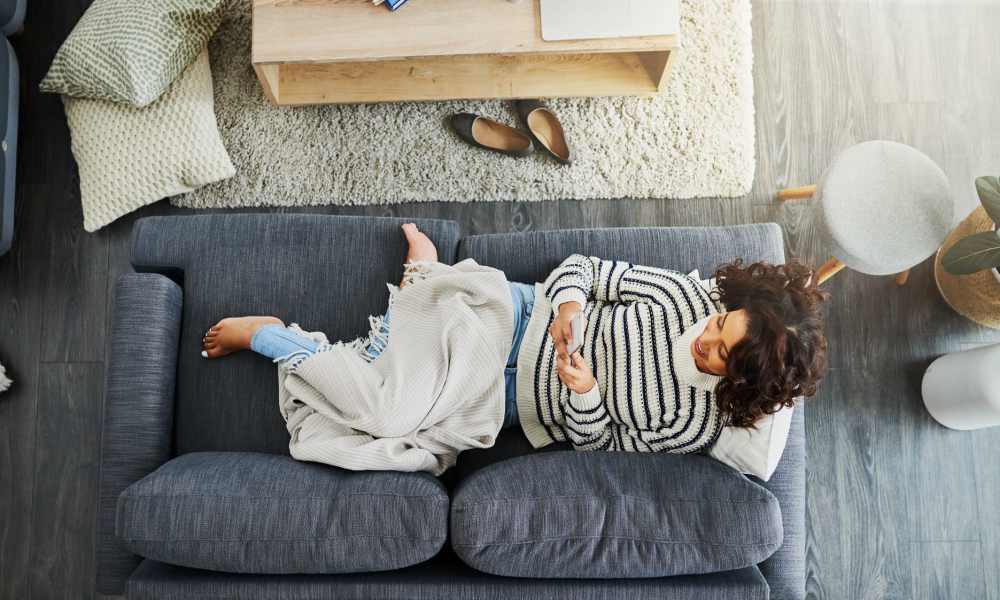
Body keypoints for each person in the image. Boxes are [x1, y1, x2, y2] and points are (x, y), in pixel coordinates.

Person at [202, 223, 829, 455]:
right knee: (390, 405)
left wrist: (583, 393)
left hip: (504, 403)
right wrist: (570, 304)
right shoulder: (686, 298)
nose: (705, 340)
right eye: (720, 325)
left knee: (388, 426)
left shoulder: (693, 424)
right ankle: (275, 341)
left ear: (738, 381)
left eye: (720, 353)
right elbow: (585, 267)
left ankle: (417, 280)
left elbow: (598, 442)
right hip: (514, 318)